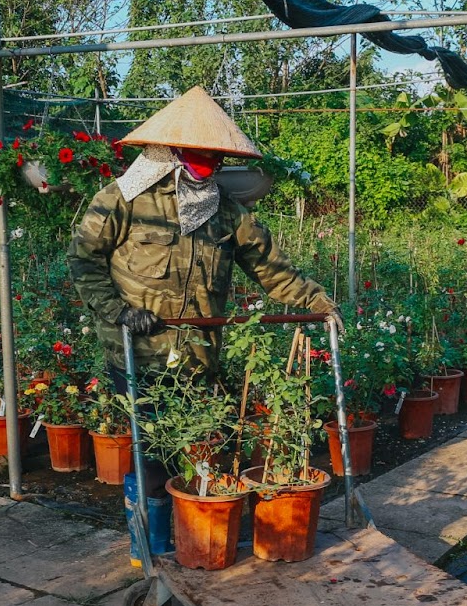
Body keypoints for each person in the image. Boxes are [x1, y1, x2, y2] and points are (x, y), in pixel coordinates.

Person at [70, 87, 339, 516]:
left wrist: (318, 303)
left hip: (199, 354)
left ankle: (201, 534)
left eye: (215, 156)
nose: (209, 164)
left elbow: (270, 267)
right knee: (154, 457)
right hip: (139, 352)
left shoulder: (227, 211)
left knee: (210, 447)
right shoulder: (122, 200)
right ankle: (153, 547)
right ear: (171, 150)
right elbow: (85, 260)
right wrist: (119, 311)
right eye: (199, 154)